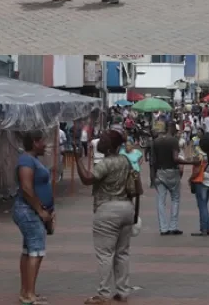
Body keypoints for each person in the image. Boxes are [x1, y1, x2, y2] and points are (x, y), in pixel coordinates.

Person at [73, 130, 139, 304]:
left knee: (105, 254)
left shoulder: (106, 163)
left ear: (111, 146)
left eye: (103, 139)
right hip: (126, 208)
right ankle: (123, 291)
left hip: (107, 209)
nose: (100, 141)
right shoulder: (125, 161)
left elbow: (88, 179)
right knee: (122, 253)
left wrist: (77, 159)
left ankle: (103, 293)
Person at [13, 131, 53, 305]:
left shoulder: (32, 160)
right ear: (35, 142)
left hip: (31, 210)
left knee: (29, 250)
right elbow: (27, 188)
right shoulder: (26, 160)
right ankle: (29, 295)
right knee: (36, 251)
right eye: (43, 141)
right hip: (28, 211)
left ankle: (26, 292)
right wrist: (41, 210)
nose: (45, 144)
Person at [190, 135, 209, 236]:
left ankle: (204, 229)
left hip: (201, 182)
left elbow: (197, 170)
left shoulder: (201, 156)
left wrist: (191, 179)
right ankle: (208, 227)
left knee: (202, 206)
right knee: (204, 206)